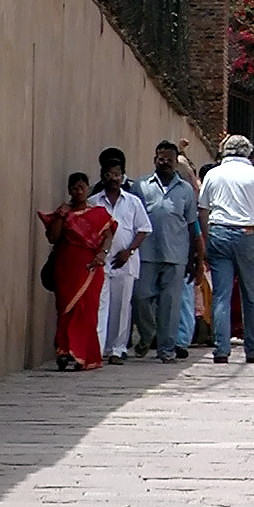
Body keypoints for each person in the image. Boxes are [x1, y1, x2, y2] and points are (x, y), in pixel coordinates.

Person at [198, 133, 254, 364]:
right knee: (250, 295)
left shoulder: (213, 174)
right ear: (248, 152)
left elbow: (203, 210)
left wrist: (207, 238)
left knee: (221, 294)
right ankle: (253, 346)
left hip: (219, 233)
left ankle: (221, 348)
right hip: (247, 235)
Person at [134, 141, 204, 363]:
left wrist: (194, 260)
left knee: (170, 306)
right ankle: (148, 334)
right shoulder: (140, 186)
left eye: (169, 160)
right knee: (140, 298)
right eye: (161, 159)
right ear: (155, 160)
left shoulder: (185, 190)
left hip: (176, 257)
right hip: (146, 255)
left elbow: (192, 226)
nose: (164, 163)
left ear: (176, 163)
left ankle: (167, 349)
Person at [38, 173, 116, 370]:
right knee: (65, 310)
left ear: (88, 189)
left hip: (90, 269)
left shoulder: (99, 213)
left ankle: (83, 355)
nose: (79, 191)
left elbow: (108, 236)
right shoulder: (64, 213)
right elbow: (53, 238)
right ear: (69, 191)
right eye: (74, 188)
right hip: (66, 269)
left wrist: (102, 254)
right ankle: (63, 351)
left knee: (86, 312)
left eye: (82, 187)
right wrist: (61, 216)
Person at [89, 150, 152, 364]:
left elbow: (143, 229)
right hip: (101, 262)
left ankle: (117, 348)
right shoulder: (94, 202)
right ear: (102, 176)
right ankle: (98, 349)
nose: (113, 178)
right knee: (101, 306)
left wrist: (129, 251)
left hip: (125, 263)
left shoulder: (133, 202)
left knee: (122, 307)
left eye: (117, 174)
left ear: (123, 176)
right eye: (109, 174)